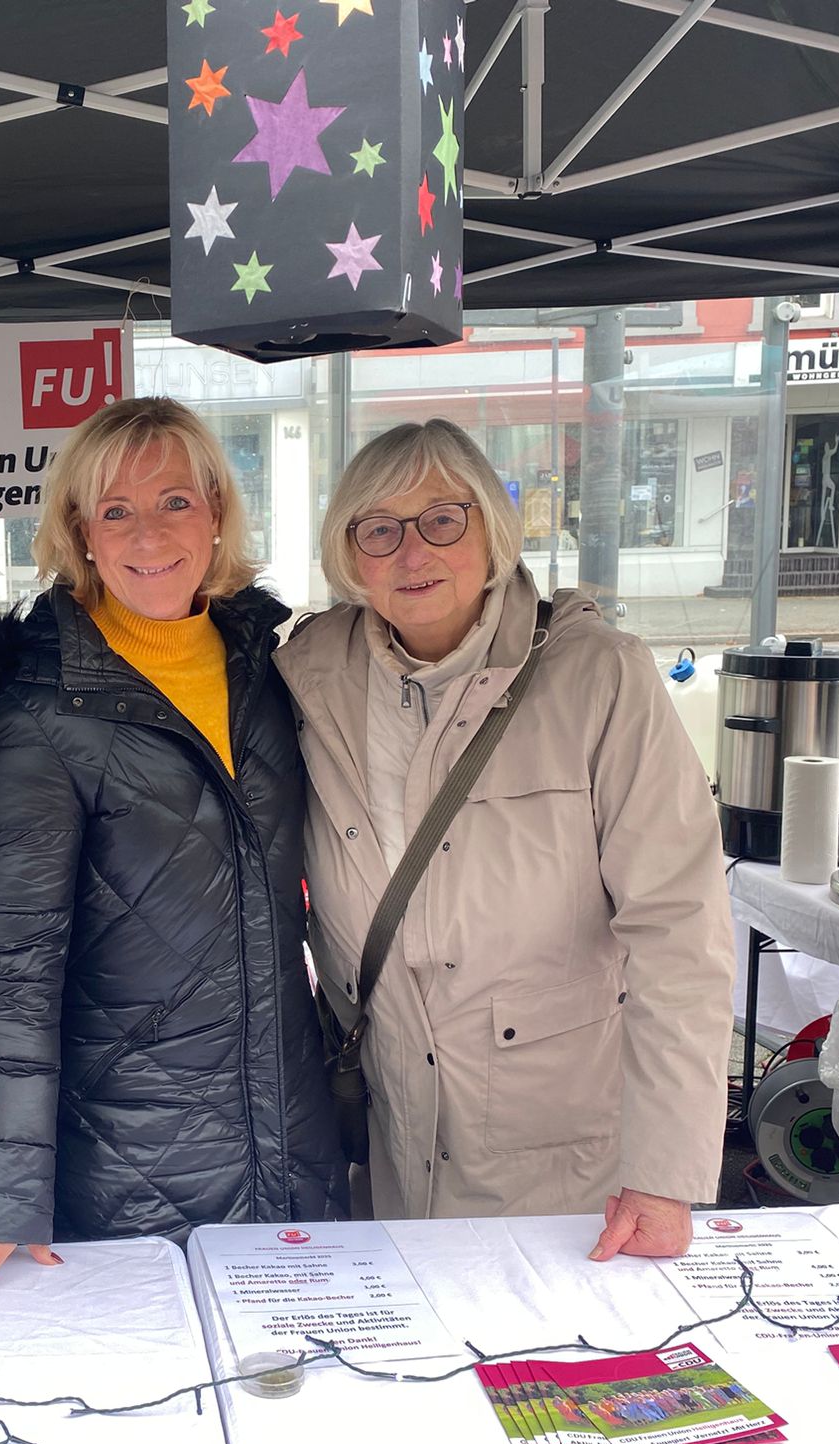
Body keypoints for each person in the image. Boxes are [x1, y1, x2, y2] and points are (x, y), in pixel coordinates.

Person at [276, 418, 732, 1260]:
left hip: (558, 1164)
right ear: (349, 554)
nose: (413, 552)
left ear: (490, 529)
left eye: (443, 520)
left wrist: (665, 1173)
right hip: (386, 1141)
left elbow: (681, 930)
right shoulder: (309, 677)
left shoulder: (599, 677)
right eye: (379, 530)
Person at [0, 397, 347, 1302]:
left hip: (291, 1131)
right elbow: (13, 965)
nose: (148, 534)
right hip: (133, 1153)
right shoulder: (43, 706)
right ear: (81, 533)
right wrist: (3, 1190)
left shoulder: (271, 669)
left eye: (174, 502)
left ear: (216, 513)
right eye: (115, 510)